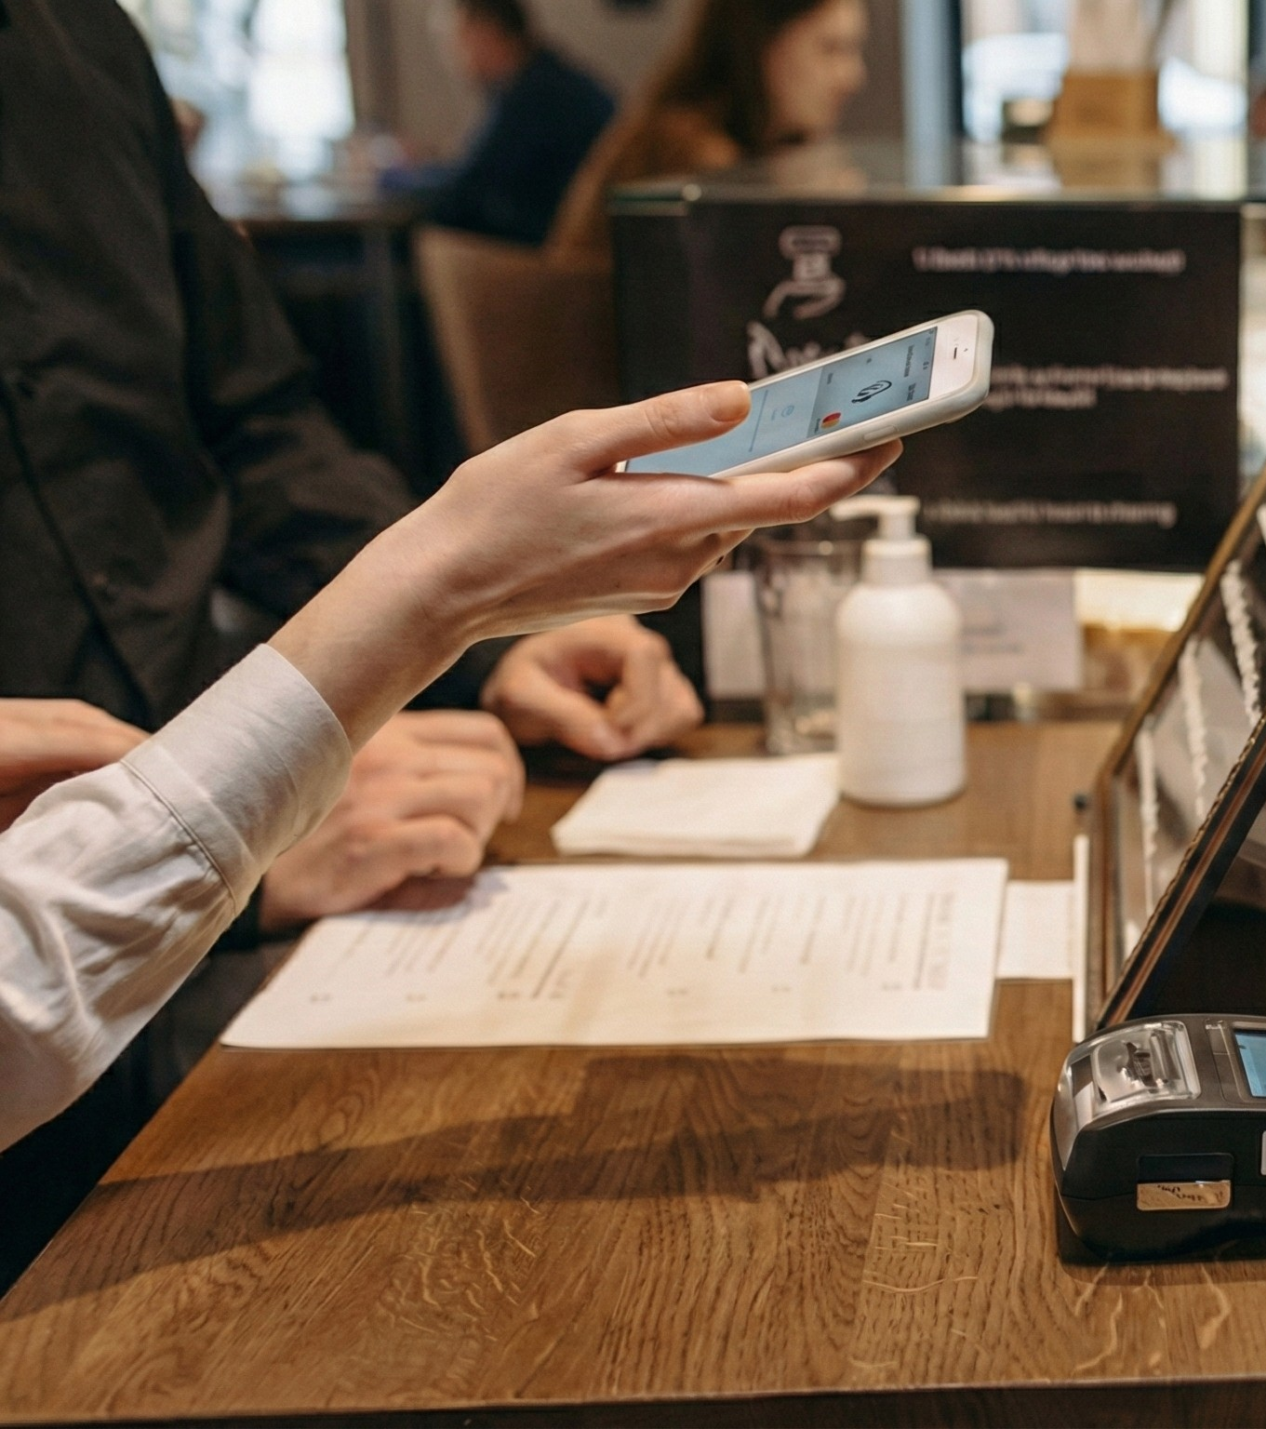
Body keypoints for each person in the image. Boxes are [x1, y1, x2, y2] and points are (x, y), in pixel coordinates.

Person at [0, 0, 705, 1287]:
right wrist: (237, 839)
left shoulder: (77, 40)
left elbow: (259, 423)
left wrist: (496, 644)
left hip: (226, 896)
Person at [0, 385, 904, 1153]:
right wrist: (436, 599)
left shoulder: (117, 170)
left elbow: (266, 436)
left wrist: (479, 653)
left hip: (206, 829)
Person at [547, 0, 868, 260]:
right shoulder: (689, 149)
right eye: (831, 48)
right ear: (761, 43)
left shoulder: (767, 147)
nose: (854, 76)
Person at [425, 0, 618, 246]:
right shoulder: (548, 75)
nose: (451, 56)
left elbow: (465, 188)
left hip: (557, 251)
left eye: (455, 39)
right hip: (583, 238)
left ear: (486, 32)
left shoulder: (533, 93)